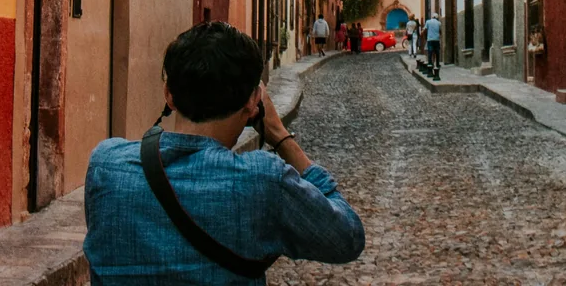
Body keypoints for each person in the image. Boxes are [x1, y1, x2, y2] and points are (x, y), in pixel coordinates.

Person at [84, 22, 365, 284]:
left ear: (168, 94)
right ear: (254, 101)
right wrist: (280, 137)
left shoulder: (106, 165)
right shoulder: (263, 181)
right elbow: (347, 238)